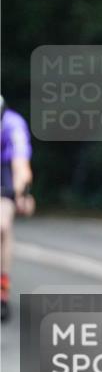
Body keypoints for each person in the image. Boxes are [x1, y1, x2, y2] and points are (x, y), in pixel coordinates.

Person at [1, 95, 35, 323]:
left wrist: (23, 194)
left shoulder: (13, 125)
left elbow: (21, 166)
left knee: (2, 225)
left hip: (2, 173)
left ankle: (2, 291)